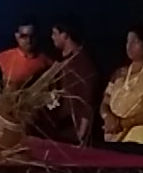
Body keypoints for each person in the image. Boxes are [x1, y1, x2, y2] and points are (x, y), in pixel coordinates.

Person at [37, 15, 99, 145]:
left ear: (65, 35)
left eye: (55, 33)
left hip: (73, 135)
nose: (52, 37)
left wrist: (81, 133)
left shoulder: (82, 64)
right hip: (58, 130)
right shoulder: (61, 62)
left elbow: (87, 101)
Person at [0, 17, 52, 87]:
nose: (29, 40)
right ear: (16, 36)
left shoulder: (47, 62)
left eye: (32, 36)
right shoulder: (0, 60)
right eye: (24, 36)